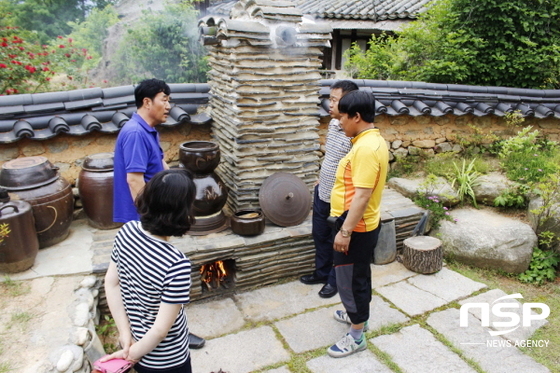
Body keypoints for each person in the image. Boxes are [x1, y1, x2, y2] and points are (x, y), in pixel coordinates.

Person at [112, 78, 206, 349]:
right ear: (147, 102)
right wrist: (152, 218)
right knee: (154, 280)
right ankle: (158, 333)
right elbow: (134, 180)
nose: (168, 105)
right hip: (145, 219)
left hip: (155, 218)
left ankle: (170, 327)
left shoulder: (148, 129)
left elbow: (161, 167)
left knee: (158, 279)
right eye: (164, 99)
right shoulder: (135, 133)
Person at [103, 169, 197, 373]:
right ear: (184, 212)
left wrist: (125, 335)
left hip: (137, 347)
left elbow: (111, 283)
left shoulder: (127, 231)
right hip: (168, 359)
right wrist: (131, 354)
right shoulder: (176, 264)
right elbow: (160, 331)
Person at [326, 90, 389, 358]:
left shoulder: (365, 148)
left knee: (350, 282)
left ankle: (356, 335)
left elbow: (362, 196)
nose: (340, 123)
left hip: (356, 227)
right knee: (358, 276)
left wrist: (344, 231)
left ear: (357, 117)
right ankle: (358, 316)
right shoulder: (372, 140)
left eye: (343, 118)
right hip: (360, 224)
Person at [300, 80, 358, 298]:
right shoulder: (334, 124)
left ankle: (335, 281)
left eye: (335, 100)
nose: (329, 104)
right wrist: (321, 177)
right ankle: (322, 272)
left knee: (337, 242)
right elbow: (332, 157)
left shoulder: (354, 133)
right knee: (320, 235)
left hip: (340, 199)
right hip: (322, 191)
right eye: (330, 98)